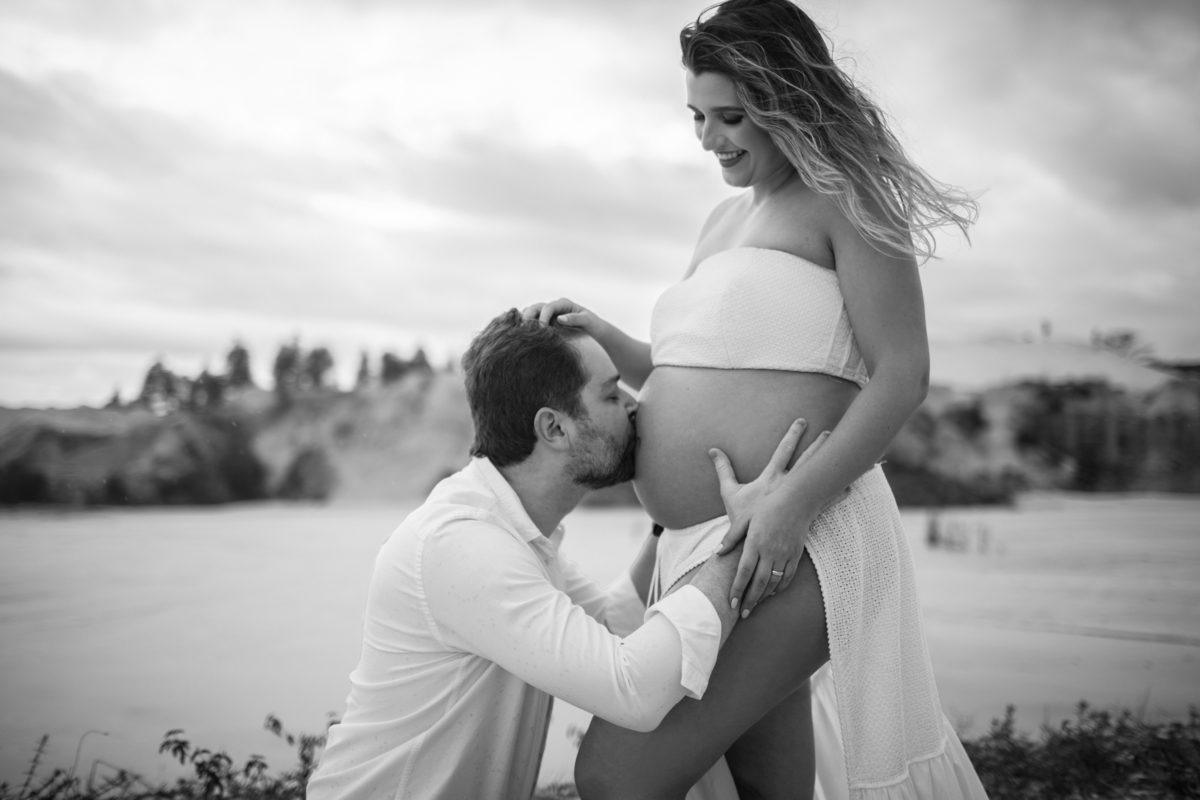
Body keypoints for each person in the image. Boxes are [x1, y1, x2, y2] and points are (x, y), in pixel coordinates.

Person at [523, 1, 989, 798]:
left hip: (795, 538)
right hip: (698, 547)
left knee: (613, 774)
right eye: (697, 116)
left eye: (731, 117)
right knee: (766, 789)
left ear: (789, 102)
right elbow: (685, 369)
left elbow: (902, 374)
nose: (709, 138)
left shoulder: (847, 199)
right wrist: (598, 331)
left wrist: (792, 506)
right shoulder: (720, 221)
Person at [305, 309, 825, 800]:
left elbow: (614, 621)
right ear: (554, 428)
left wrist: (680, 511)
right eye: (609, 394)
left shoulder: (516, 532)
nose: (633, 405)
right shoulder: (463, 546)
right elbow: (634, 689)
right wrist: (751, 532)